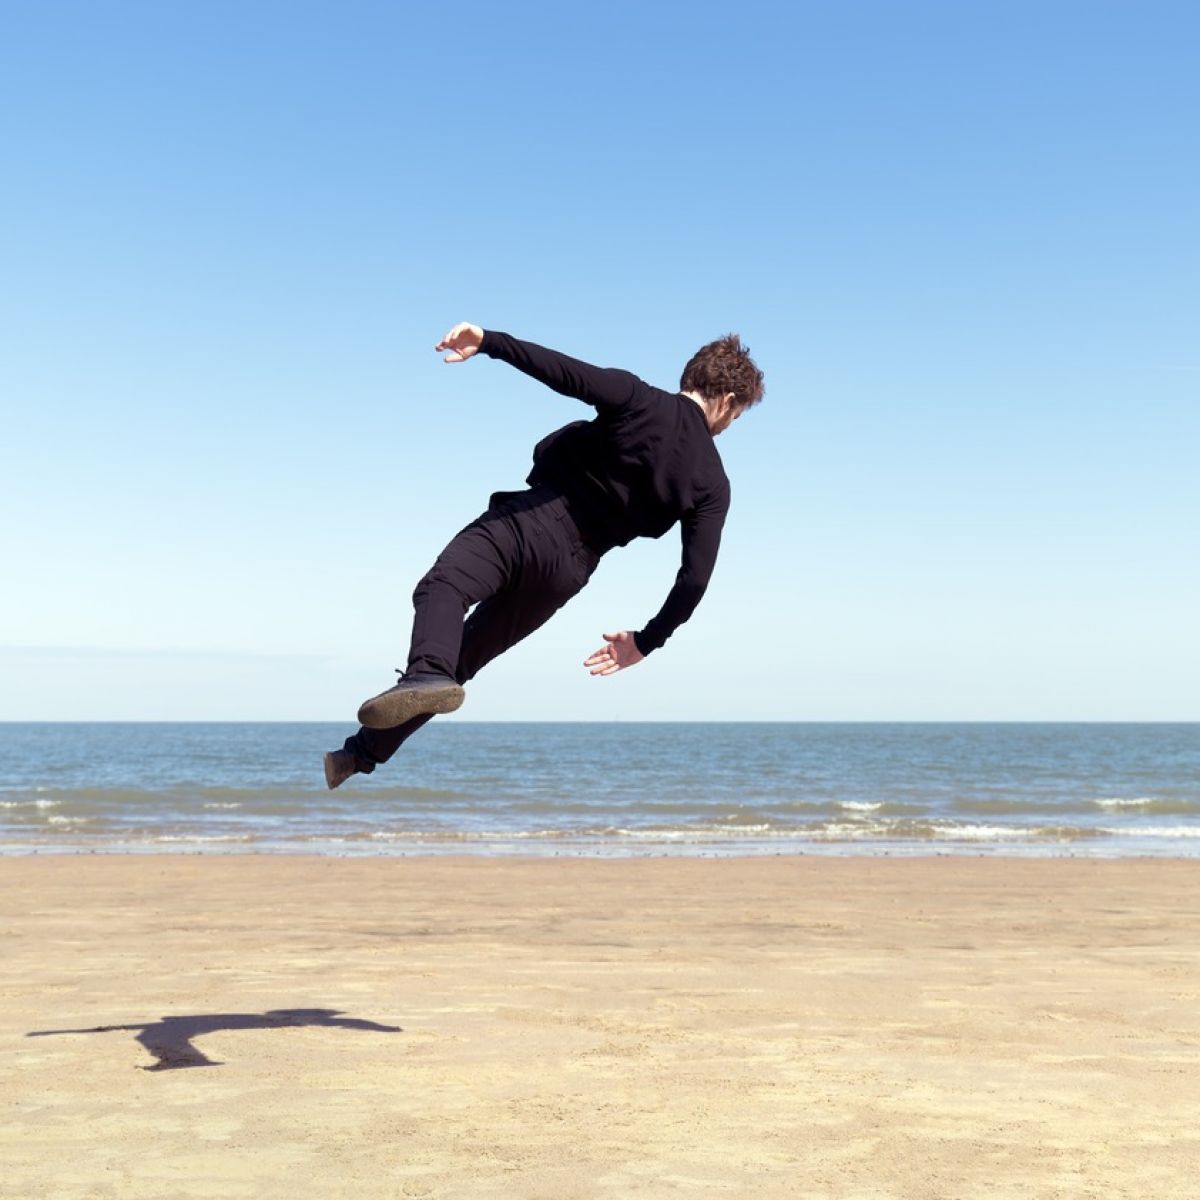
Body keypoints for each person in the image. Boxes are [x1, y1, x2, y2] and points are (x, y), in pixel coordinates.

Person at [324, 322, 764, 788]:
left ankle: (423, 676)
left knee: (444, 587)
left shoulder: (640, 399)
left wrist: (490, 343)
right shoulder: (714, 483)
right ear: (727, 401)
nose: (728, 427)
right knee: (463, 661)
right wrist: (646, 640)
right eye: (735, 419)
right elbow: (694, 580)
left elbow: (563, 372)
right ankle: (357, 756)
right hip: (570, 571)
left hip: (534, 521)